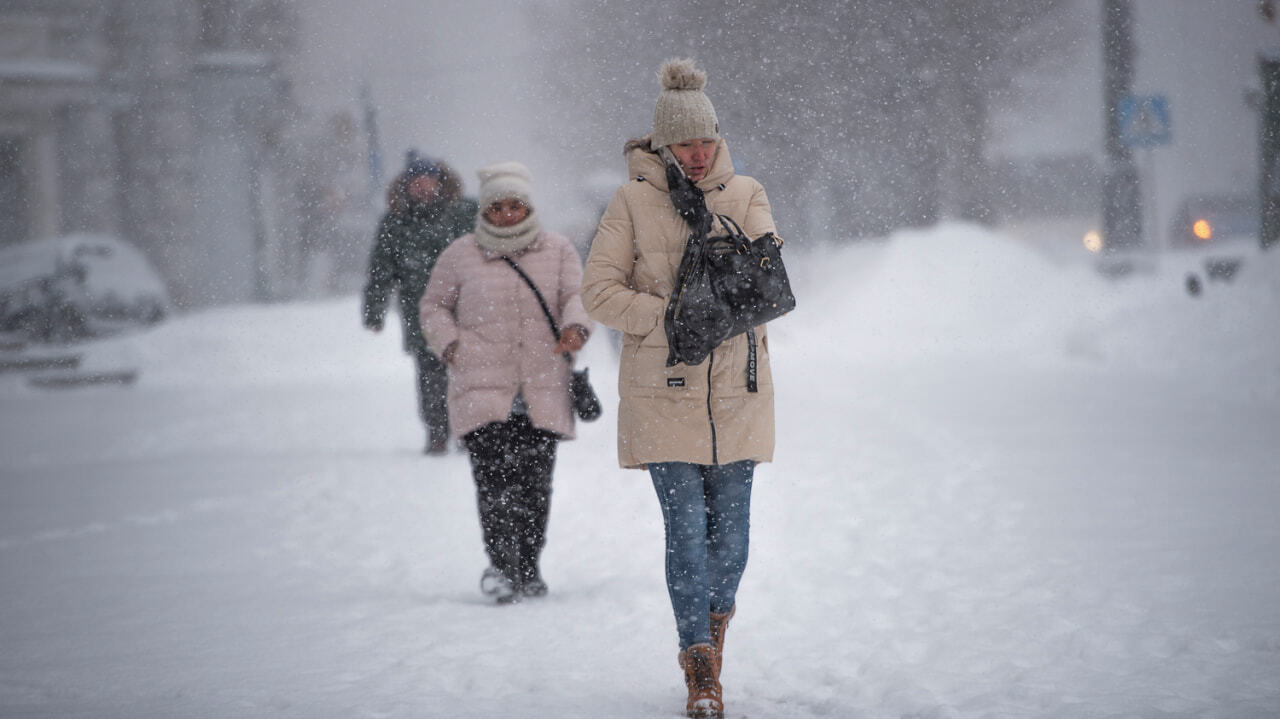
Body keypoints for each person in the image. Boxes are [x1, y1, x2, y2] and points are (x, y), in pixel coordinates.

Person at [581, 59, 779, 719]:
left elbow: (768, 285)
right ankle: (699, 665)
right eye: (683, 144)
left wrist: (731, 269)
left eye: (705, 141)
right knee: (687, 533)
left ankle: (714, 631)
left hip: (736, 390)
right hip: (662, 387)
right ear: (663, 144)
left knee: (734, 538)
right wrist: (663, 316)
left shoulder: (746, 192)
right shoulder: (631, 201)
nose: (696, 155)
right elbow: (598, 291)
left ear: (717, 137)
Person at [419, 161, 591, 603]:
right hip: (481, 387)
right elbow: (433, 306)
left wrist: (575, 326)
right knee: (493, 484)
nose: (508, 214)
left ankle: (529, 565)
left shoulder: (558, 250)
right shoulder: (460, 254)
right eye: (499, 206)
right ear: (485, 210)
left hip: (542, 385)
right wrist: (451, 344)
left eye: (516, 205)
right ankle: (501, 567)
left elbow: (576, 295)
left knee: (535, 485)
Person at [363, 152, 478, 454]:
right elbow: (381, 269)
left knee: (467, 372)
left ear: (440, 183)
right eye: (416, 181)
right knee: (431, 375)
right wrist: (374, 311)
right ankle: (437, 434)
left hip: (466, 307)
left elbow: (494, 247)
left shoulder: (465, 213)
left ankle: (469, 431)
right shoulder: (396, 222)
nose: (423, 186)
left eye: (428, 180)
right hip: (420, 310)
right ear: (407, 185)